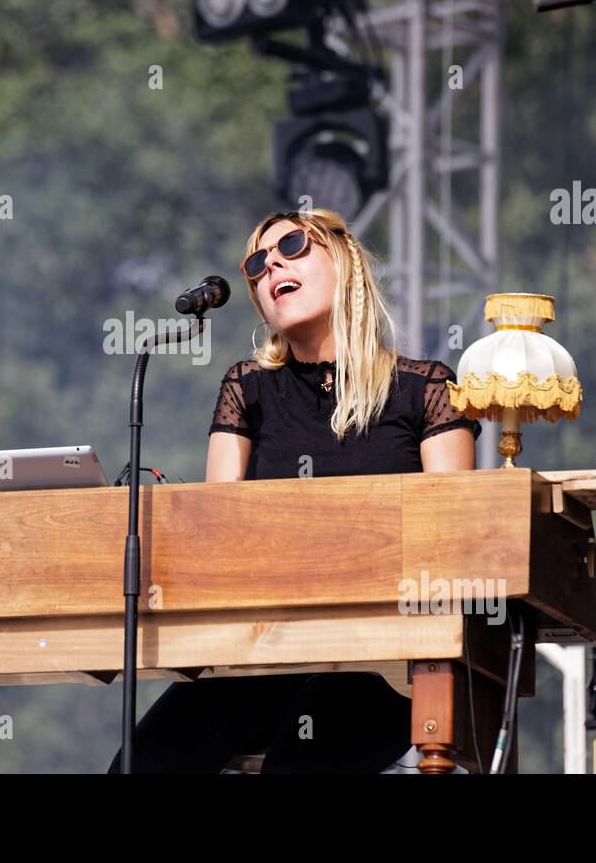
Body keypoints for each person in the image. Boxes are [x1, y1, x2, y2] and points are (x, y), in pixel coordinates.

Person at [106, 208, 481, 773]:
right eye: (256, 262)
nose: (270, 263)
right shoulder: (246, 390)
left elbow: (454, 538)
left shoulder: (424, 388)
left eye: (292, 246)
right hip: (263, 656)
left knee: (298, 763)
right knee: (139, 765)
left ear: (345, 261)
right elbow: (216, 536)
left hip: (385, 662)